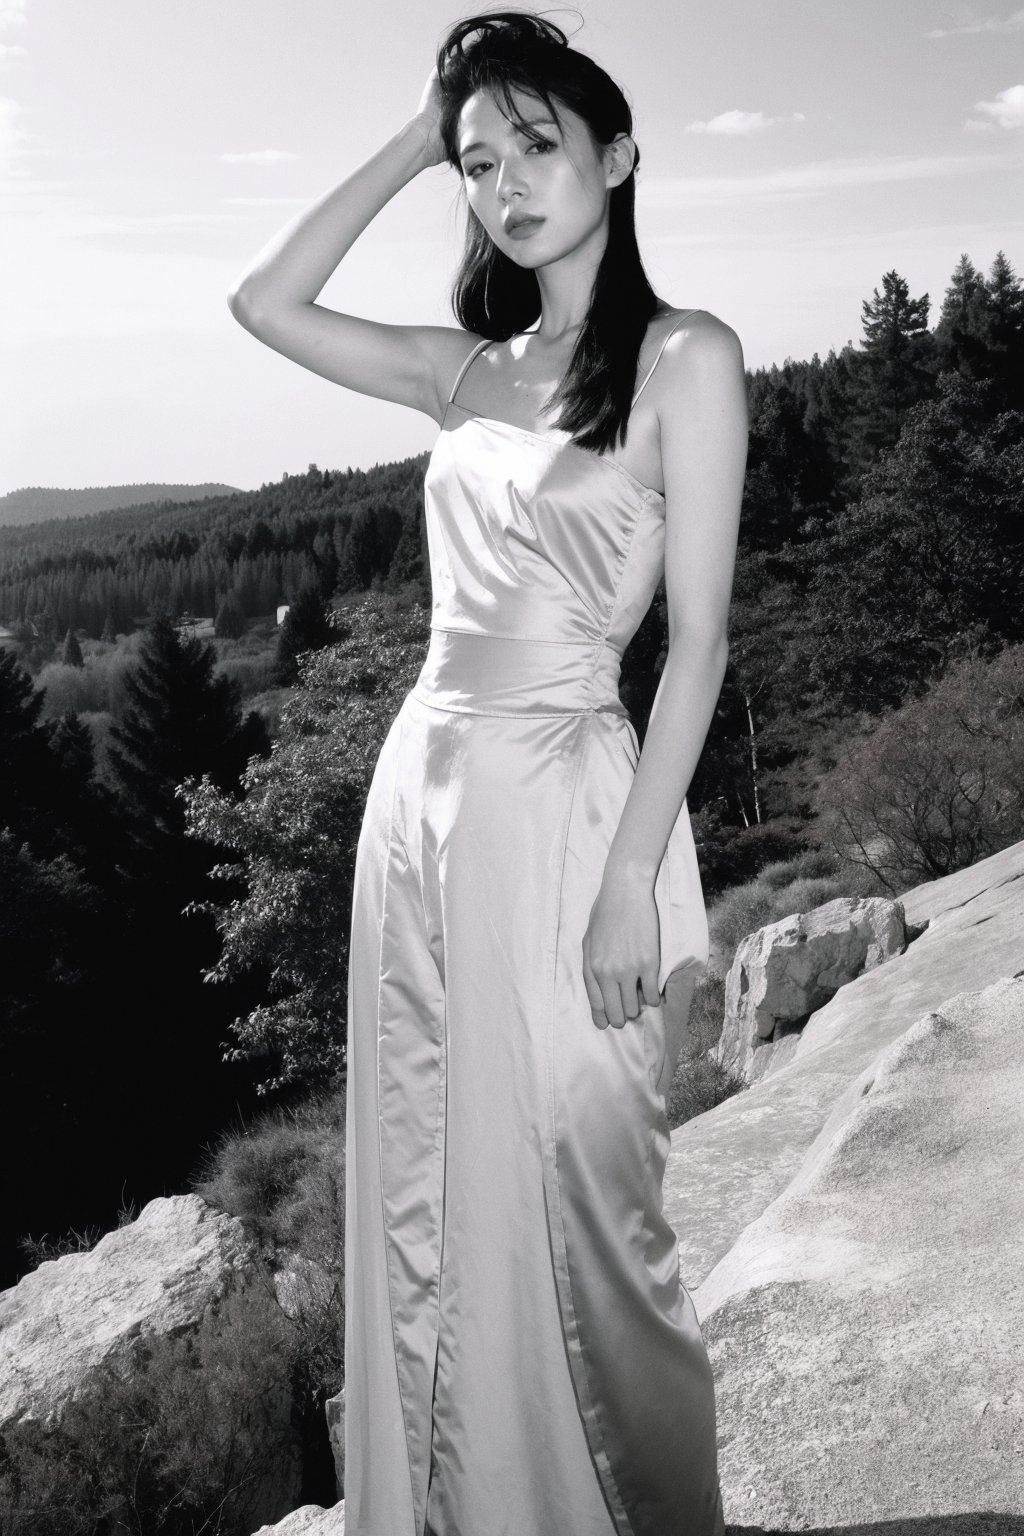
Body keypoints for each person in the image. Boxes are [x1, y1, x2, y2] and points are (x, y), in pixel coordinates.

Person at [228, 10, 748, 1533]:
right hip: (422, 808)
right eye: (479, 163)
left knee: (593, 1189)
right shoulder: (466, 371)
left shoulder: (685, 356)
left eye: (537, 143)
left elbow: (701, 647)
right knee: (429, 1194)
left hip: (572, 801)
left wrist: (629, 886)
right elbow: (264, 300)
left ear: (618, 152)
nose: (507, 181)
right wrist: (420, 127)